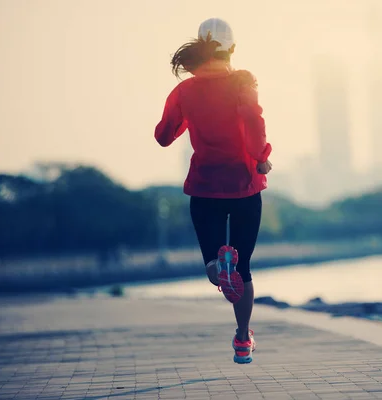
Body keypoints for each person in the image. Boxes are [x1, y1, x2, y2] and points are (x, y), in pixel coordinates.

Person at [154, 17, 272, 364]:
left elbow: (163, 136)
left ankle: (216, 268)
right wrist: (261, 157)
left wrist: (188, 114)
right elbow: (253, 121)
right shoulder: (242, 82)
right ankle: (241, 338)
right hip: (245, 186)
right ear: (231, 49)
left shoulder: (184, 91)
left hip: (204, 189)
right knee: (244, 270)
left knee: (214, 264)